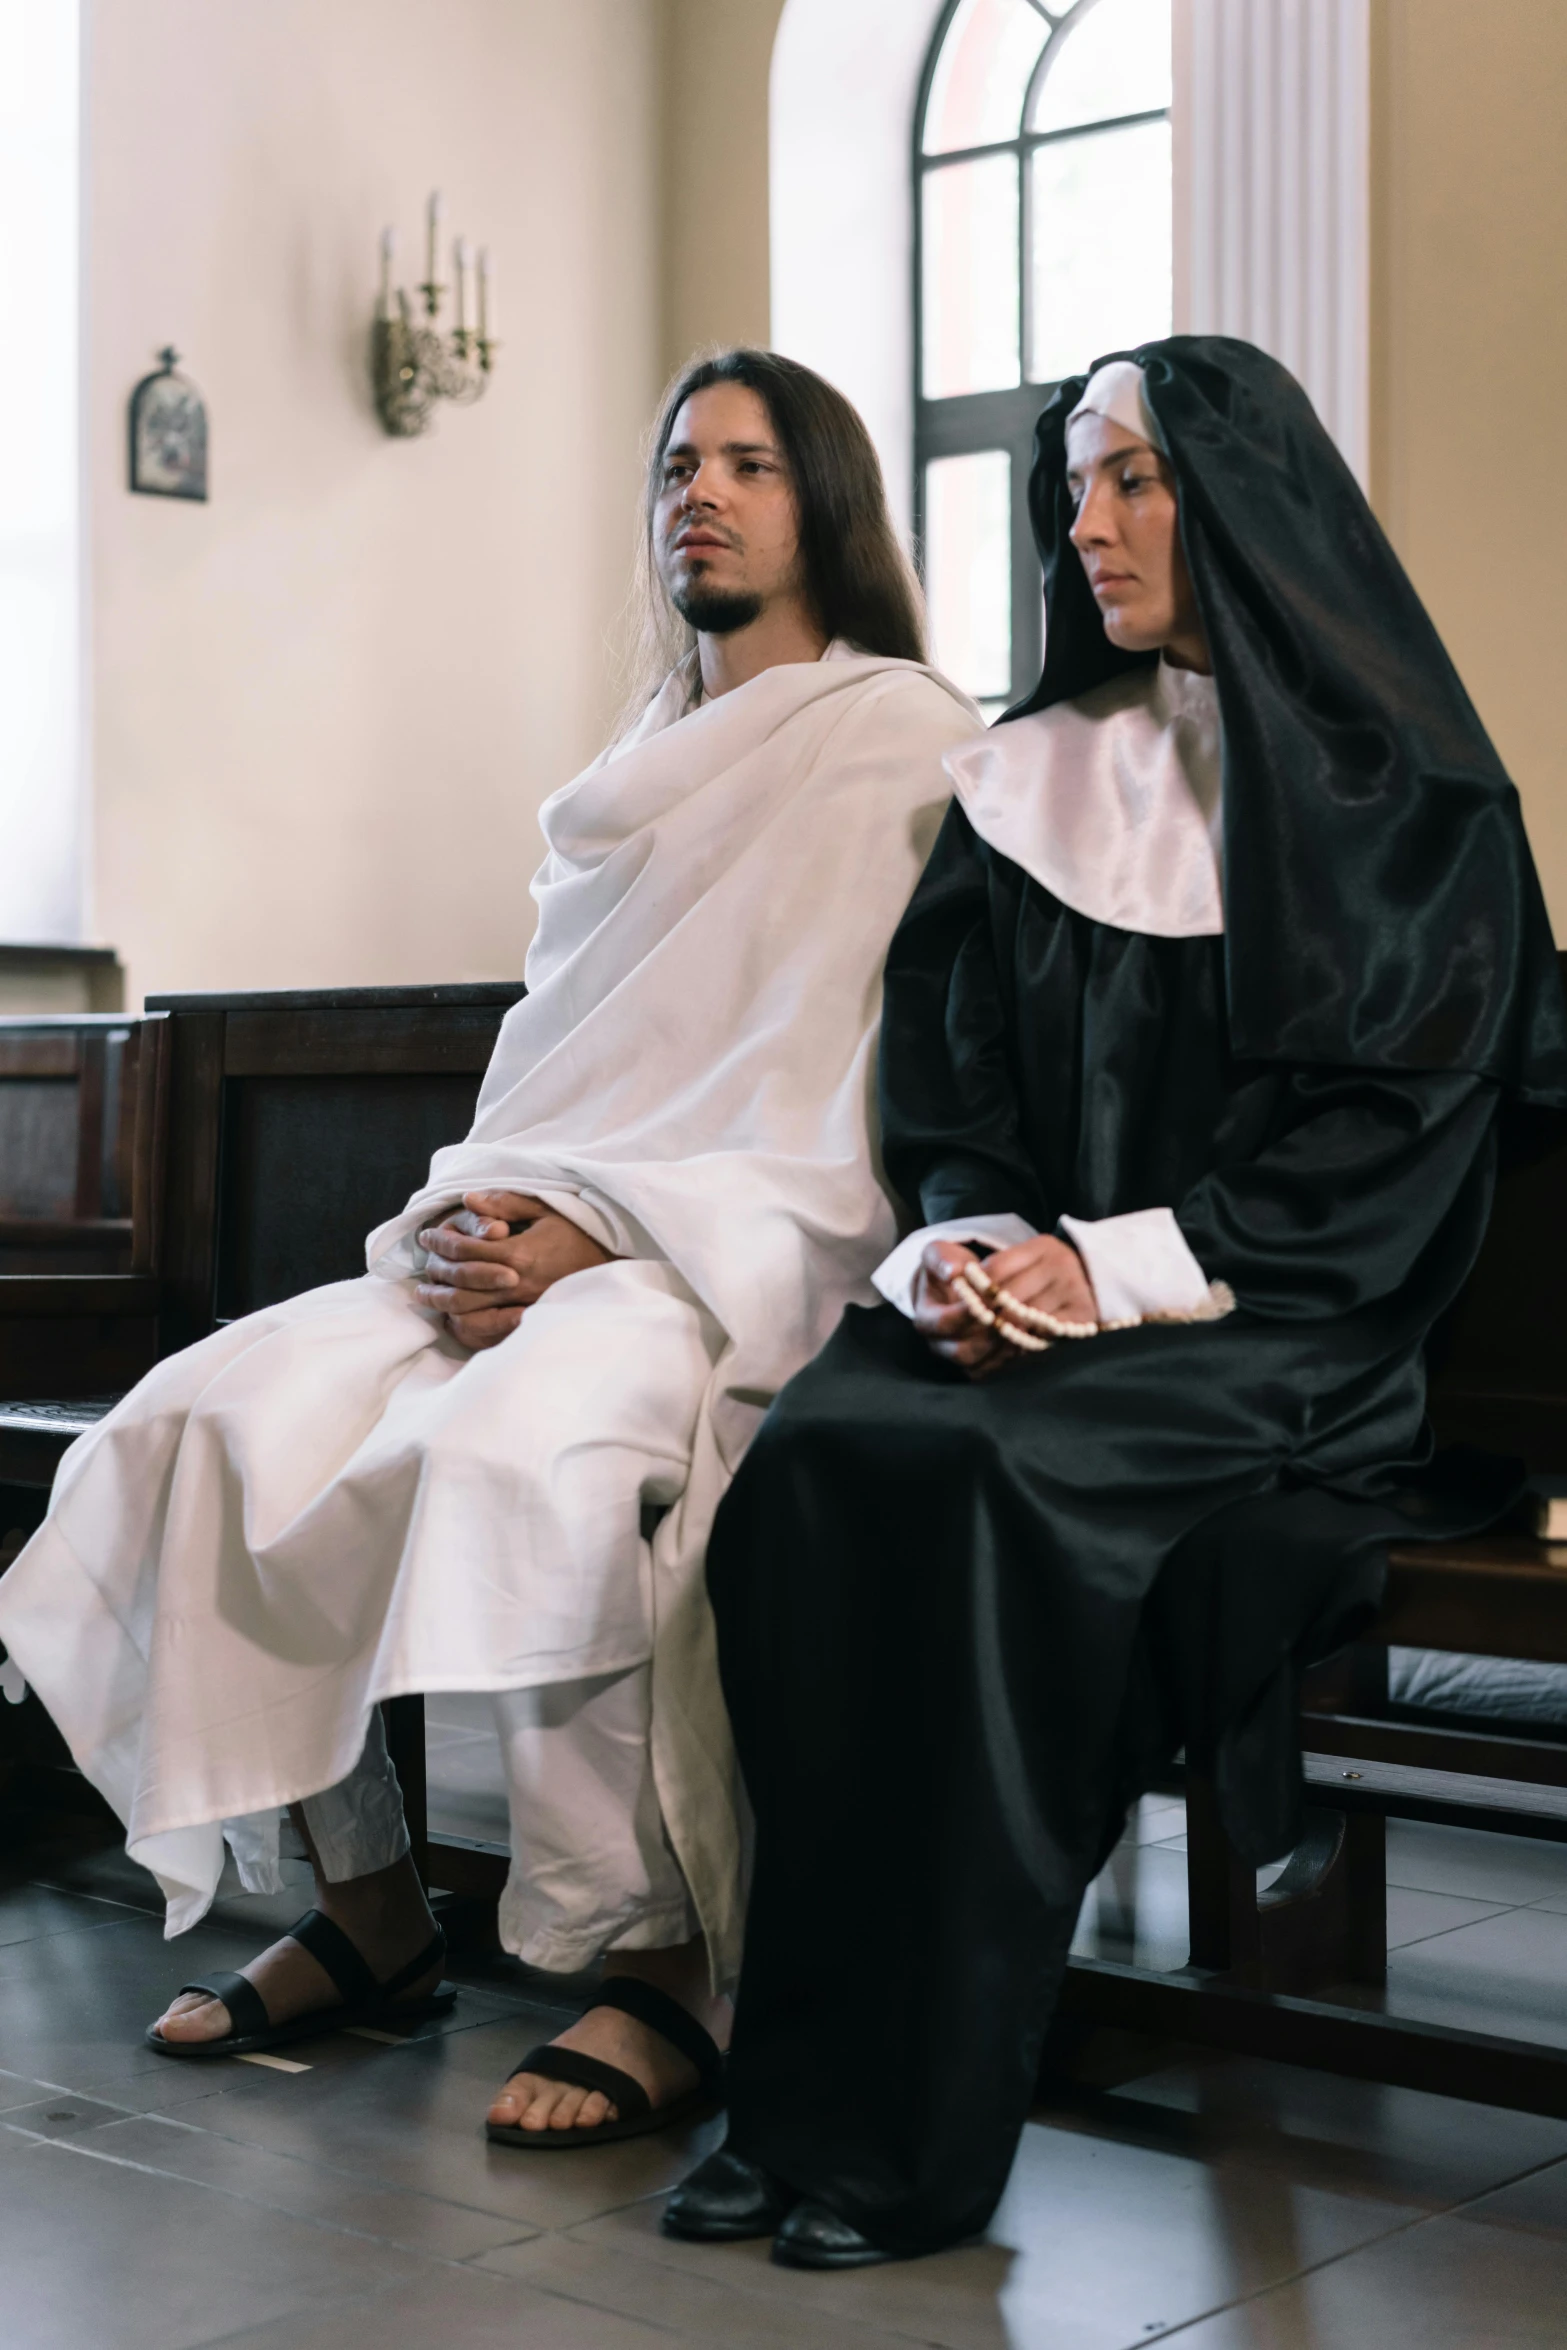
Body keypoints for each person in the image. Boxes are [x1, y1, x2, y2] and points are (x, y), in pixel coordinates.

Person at [0, 349, 978, 2147]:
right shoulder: (630, 780)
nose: (701, 489)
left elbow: (849, 1092)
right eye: (677, 461)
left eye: (749, 464)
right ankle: (374, 1915)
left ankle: (661, 1963)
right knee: (208, 1419)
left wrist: (603, 1236)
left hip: (717, 1258)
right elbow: (563, 1067)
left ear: (822, 501)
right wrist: (481, 1214)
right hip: (542, 1224)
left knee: (529, 1451)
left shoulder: (901, 737)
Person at [667, 337, 1567, 2264]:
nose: (1083, 525)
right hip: (1050, 1322)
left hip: (1292, 1338)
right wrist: (975, 1249)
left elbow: (1385, 1158)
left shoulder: (1418, 813)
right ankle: (792, 2093)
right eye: (1070, 486)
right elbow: (954, 1090)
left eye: (1131, 480)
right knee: (820, 1457)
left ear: (1243, 503)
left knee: (991, 1496)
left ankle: (908, 2130)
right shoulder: (1026, 786)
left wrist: (1119, 1264)